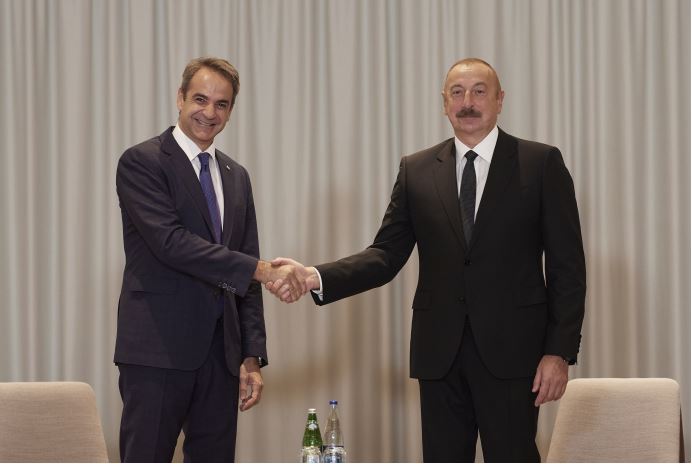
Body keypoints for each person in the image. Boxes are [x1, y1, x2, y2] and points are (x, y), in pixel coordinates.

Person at [268, 58, 586, 462]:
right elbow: (385, 255)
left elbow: (567, 268)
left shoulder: (540, 164)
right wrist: (315, 276)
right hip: (439, 354)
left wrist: (559, 352)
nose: (467, 102)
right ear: (444, 102)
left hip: (514, 353)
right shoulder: (416, 170)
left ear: (500, 99)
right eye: (457, 92)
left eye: (479, 91)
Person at [114, 56, 306, 462]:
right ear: (180, 98)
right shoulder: (143, 161)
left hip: (222, 357)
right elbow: (171, 243)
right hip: (157, 352)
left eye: (222, 104)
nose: (209, 112)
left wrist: (251, 355)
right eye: (200, 99)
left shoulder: (237, 176)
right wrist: (261, 270)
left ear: (231, 111)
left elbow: (246, 267)